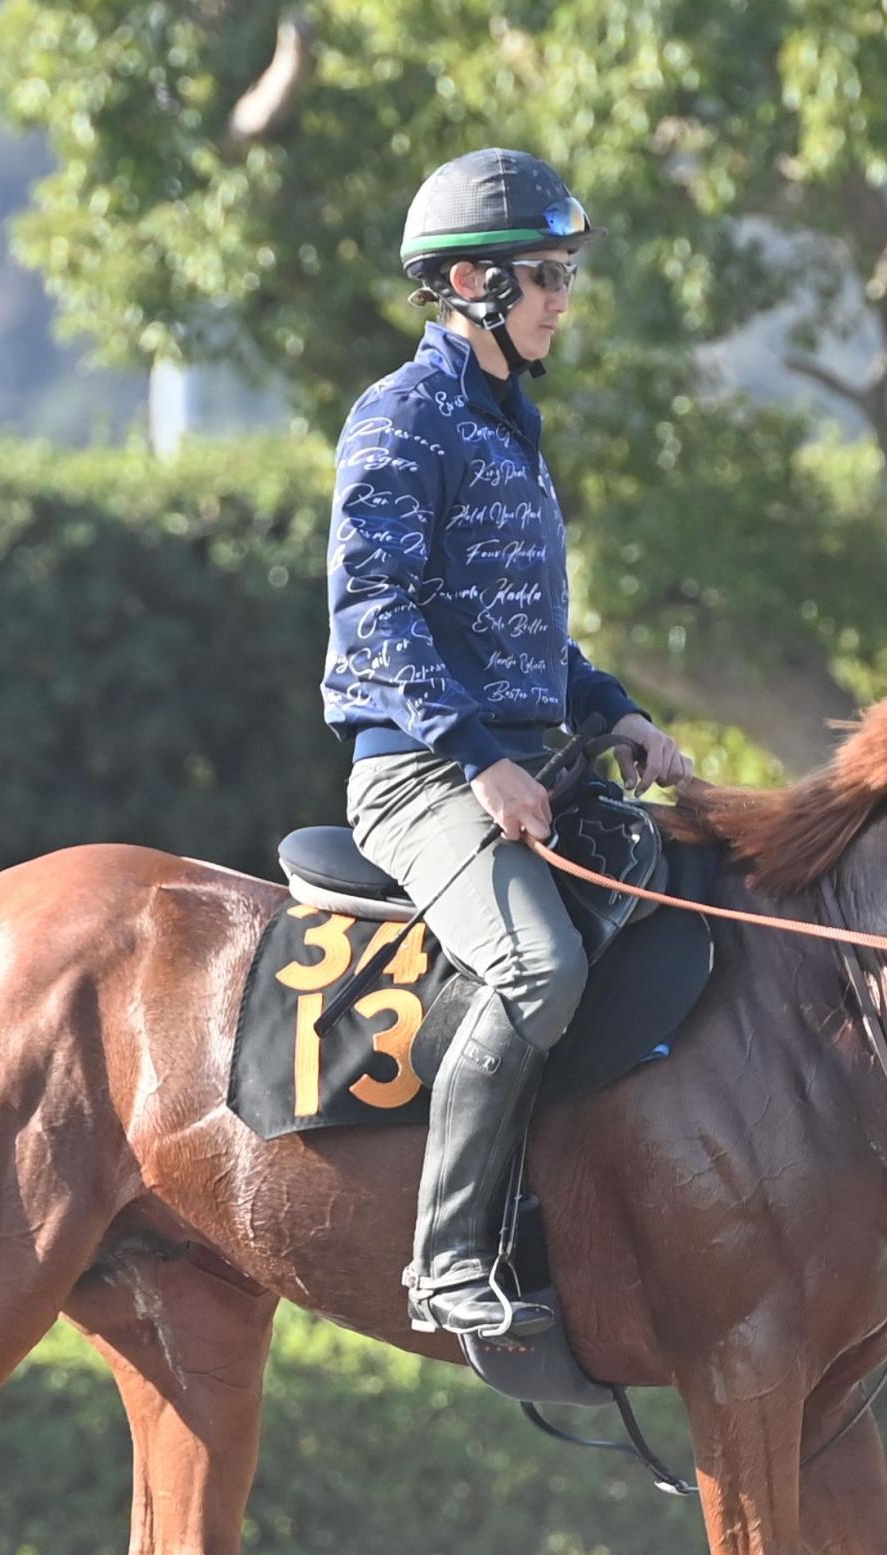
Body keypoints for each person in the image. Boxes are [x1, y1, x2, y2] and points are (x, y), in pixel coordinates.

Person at [322, 147, 692, 1343]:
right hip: (419, 771)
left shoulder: (510, 427)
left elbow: (527, 642)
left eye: (565, 273)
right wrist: (481, 756)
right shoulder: (402, 416)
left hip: (512, 753)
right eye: (544, 275)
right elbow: (373, 608)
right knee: (538, 968)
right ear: (470, 283)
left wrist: (617, 711)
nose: (561, 299)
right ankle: (443, 1263)